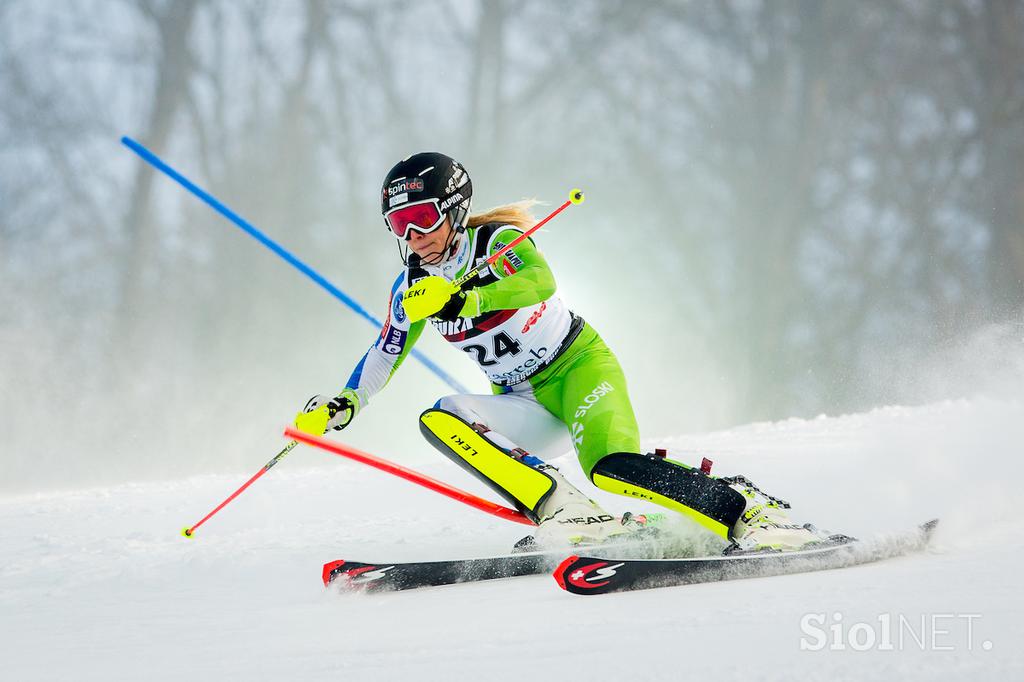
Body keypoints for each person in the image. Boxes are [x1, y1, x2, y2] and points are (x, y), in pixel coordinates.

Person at [295, 152, 822, 551]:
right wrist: (344, 404)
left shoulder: (496, 242)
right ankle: (572, 515)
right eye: (399, 224)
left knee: (612, 467)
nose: (413, 237)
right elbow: (385, 352)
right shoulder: (409, 287)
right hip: (524, 402)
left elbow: (539, 282)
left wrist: (466, 296)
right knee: (441, 418)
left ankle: (747, 512)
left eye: (424, 219)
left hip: (578, 371)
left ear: (454, 211)